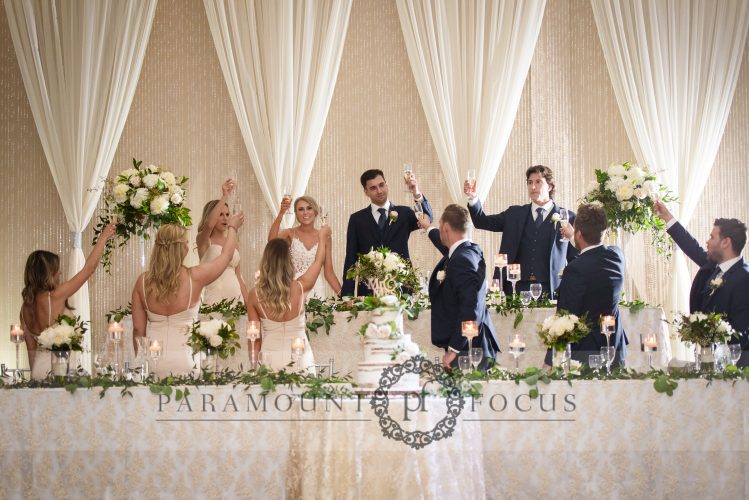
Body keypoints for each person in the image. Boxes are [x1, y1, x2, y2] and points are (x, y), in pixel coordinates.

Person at [131, 215, 244, 378]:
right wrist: (232, 228)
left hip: (153, 359)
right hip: (187, 359)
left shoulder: (142, 281)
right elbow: (225, 257)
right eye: (185, 242)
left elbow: (138, 330)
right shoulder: (194, 277)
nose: (187, 246)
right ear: (181, 249)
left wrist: (141, 363)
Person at [654, 201, 749, 365]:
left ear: (726, 242)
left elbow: (740, 332)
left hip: (731, 368)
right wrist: (667, 218)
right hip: (707, 359)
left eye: (712, 237)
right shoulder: (714, 267)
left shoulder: (744, 278)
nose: (707, 241)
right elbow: (692, 247)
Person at [20, 223, 117, 380]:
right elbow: (89, 269)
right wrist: (104, 237)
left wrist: (34, 379)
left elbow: (31, 349)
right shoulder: (54, 296)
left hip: (38, 370)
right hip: (58, 369)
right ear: (48, 272)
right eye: (56, 269)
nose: (60, 272)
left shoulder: (25, 307)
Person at [465, 165, 578, 298]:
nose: (533, 187)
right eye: (530, 182)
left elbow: (575, 259)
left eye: (538, 182)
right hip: (516, 288)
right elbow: (481, 221)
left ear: (550, 186)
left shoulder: (567, 217)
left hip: (552, 290)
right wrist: (473, 198)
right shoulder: (514, 214)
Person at [545, 202, 626, 366]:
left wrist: (549, 361)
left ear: (579, 233)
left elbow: (564, 318)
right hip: (614, 348)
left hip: (585, 354)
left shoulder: (574, 270)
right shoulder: (617, 256)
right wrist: (575, 238)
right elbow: (593, 258)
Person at [421, 204, 499, 369]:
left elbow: (471, 306)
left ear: (446, 228)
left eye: (441, 227)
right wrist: (428, 228)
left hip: (470, 350)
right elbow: (445, 245)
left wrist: (455, 348)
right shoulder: (468, 251)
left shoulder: (461, 260)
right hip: (470, 345)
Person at [246, 227, 330, 373]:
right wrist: (322, 238)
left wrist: (253, 369)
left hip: (270, 359)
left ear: (265, 260)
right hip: (300, 358)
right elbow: (318, 261)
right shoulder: (301, 287)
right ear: (288, 261)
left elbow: (254, 338)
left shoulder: (254, 295)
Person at [341, 168, 433, 296]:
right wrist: (347, 295)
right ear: (366, 192)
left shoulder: (404, 213)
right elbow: (351, 258)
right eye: (373, 188)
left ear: (386, 184)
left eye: (381, 185)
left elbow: (427, 218)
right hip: (369, 289)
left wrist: (415, 192)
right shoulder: (357, 219)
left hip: (402, 287)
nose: (379, 191)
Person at [268, 195, 341, 298]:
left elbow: (329, 273)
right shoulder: (290, 233)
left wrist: (345, 297)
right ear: (296, 214)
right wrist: (281, 213)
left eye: (309, 208)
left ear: (315, 211)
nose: (305, 212)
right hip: (295, 288)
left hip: (317, 291)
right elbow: (271, 242)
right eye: (301, 209)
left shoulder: (324, 236)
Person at [196, 179, 249, 305]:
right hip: (215, 299)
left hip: (236, 298)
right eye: (220, 214)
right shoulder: (204, 240)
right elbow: (209, 225)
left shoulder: (232, 240)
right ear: (211, 215)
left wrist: (248, 305)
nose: (225, 218)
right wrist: (225, 196)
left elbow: (239, 277)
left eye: (227, 214)